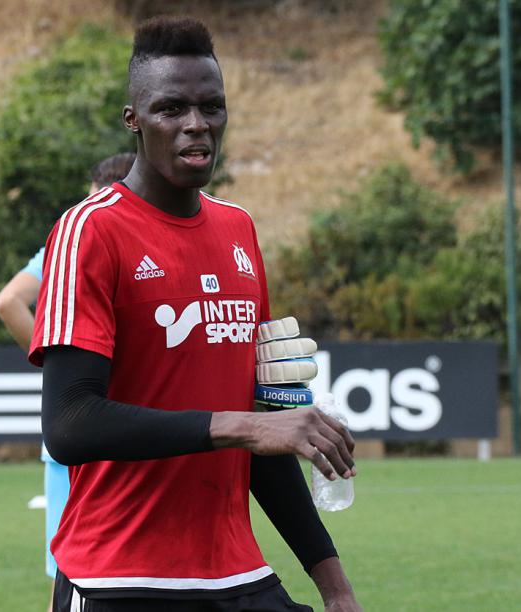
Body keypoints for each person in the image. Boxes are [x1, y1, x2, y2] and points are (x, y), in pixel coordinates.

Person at [29, 17, 361, 612]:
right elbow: (70, 424)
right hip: (119, 579)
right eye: (171, 109)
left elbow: (261, 435)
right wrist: (248, 425)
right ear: (133, 118)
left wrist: (335, 588)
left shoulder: (239, 229)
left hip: (236, 573)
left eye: (212, 107)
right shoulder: (91, 230)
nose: (196, 125)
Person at [0, 152, 135, 612]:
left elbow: (8, 302)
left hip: (79, 422)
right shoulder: (154, 234)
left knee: (72, 570)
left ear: (100, 189)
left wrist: (59, 364)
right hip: (145, 425)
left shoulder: (74, 237)